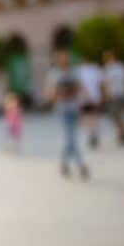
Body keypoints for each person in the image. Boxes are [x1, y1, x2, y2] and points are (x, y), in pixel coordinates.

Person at [47, 51, 89, 179]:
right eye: (62, 58)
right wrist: (57, 94)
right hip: (62, 109)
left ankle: (64, 163)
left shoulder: (73, 72)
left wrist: (82, 99)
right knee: (71, 138)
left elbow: (80, 88)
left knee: (70, 139)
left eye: (66, 58)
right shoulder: (54, 74)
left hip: (74, 108)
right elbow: (50, 93)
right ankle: (81, 165)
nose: (64, 60)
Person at [101, 50, 124, 146]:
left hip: (119, 94)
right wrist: (105, 96)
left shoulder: (120, 67)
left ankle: (121, 133)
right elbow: (105, 84)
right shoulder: (106, 69)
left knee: (119, 115)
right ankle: (122, 132)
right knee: (114, 116)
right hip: (112, 95)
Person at [77, 58, 104, 148]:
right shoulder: (81, 70)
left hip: (90, 98)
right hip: (89, 98)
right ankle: (92, 133)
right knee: (89, 117)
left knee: (91, 117)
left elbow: (101, 84)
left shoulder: (81, 71)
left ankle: (93, 134)